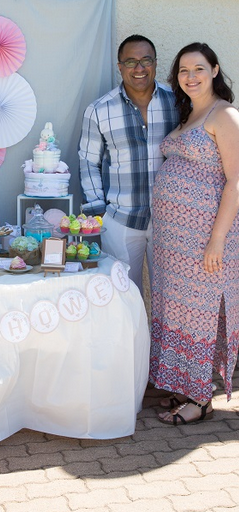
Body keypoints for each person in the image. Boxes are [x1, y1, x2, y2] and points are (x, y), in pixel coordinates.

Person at [150, 42, 239, 425]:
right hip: (173, 244)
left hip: (207, 240)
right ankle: (183, 387)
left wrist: (217, 238)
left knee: (202, 314)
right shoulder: (188, 116)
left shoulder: (225, 115)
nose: (191, 77)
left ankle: (201, 400)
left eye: (199, 68)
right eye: (184, 71)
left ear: (215, 70)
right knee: (180, 313)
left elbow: (236, 181)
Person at [79, 35, 179, 296]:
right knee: (124, 298)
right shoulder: (99, 110)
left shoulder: (178, 102)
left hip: (170, 220)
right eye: (131, 61)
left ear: (156, 63)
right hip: (121, 219)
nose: (139, 68)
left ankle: (162, 340)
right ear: (119, 66)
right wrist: (99, 211)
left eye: (146, 60)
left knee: (170, 297)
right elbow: (88, 161)